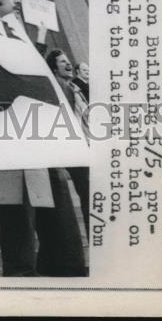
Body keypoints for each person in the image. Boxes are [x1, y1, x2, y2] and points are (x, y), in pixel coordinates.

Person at [0, 0, 86, 277]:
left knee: (62, 225)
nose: (17, 0)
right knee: (19, 221)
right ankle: (22, 284)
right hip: (8, 143)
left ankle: (64, 272)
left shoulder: (14, 36)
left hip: (41, 143)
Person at [47, 48, 90, 231]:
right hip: (74, 147)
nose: (68, 64)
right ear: (54, 69)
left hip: (86, 144)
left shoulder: (73, 87)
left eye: (68, 61)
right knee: (89, 195)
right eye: (63, 62)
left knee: (90, 195)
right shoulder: (58, 85)